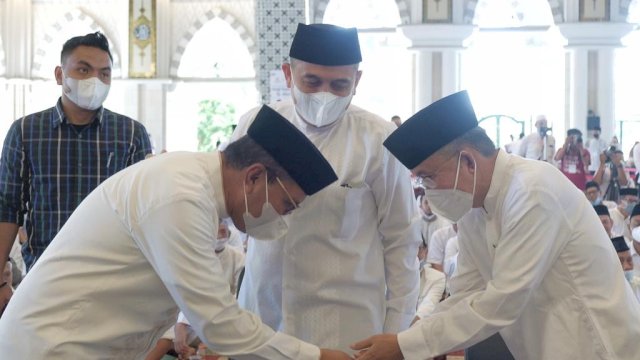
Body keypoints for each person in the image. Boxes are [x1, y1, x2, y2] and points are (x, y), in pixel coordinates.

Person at [0, 105, 351, 359]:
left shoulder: (191, 187)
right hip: (53, 347)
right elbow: (219, 322)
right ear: (254, 176)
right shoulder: (180, 196)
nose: (283, 219)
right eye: (286, 205)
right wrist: (318, 356)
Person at [351, 90, 640, 359]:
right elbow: (467, 290)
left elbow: (503, 299)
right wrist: (418, 336)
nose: (427, 189)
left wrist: (405, 346)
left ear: (468, 161)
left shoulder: (532, 191)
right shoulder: (473, 208)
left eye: (428, 176)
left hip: (597, 345)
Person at [232, 23, 420, 353]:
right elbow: (225, 205)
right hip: (263, 320)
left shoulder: (378, 139)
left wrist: (397, 334)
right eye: (312, 81)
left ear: (356, 82)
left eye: (339, 85)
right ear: (289, 74)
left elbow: (401, 239)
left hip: (346, 326)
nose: (325, 94)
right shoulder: (255, 126)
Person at [0, 31, 153, 309]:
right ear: (60, 74)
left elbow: (144, 211)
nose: (95, 80)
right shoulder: (25, 132)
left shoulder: (131, 134)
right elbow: (7, 208)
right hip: (43, 276)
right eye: (84, 69)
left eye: (104, 74)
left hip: (111, 278)